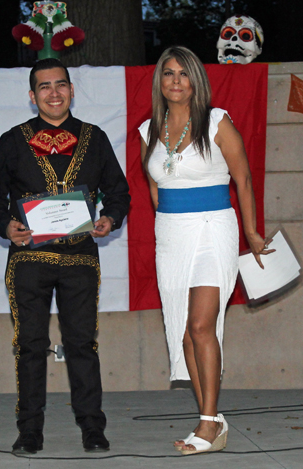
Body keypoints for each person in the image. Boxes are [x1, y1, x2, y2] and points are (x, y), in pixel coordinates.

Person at [0, 58, 130, 454]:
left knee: (82, 344)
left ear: (71, 90)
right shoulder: (13, 140)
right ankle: (29, 430)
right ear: (32, 96)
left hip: (81, 258)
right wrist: (7, 227)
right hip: (29, 260)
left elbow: (119, 192)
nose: (54, 93)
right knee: (31, 345)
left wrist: (110, 218)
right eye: (45, 87)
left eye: (61, 85)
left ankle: (92, 429)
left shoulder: (95, 137)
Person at [139, 46, 274, 455]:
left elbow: (244, 178)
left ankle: (207, 422)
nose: (176, 81)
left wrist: (250, 232)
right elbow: (155, 191)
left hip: (214, 228)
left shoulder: (216, 121)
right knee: (184, 332)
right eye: (168, 73)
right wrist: (170, 227)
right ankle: (212, 419)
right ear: (159, 82)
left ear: (196, 80)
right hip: (172, 235)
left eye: (184, 73)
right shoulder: (148, 130)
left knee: (201, 326)